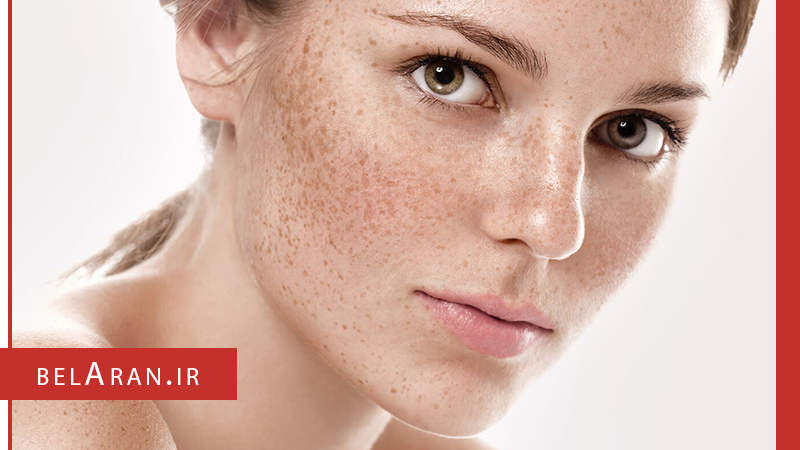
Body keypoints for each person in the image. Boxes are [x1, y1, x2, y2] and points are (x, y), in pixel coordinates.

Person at [12, 0, 760, 448]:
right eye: (449, 75)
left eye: (634, 130)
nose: (550, 224)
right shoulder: (55, 403)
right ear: (221, 32)